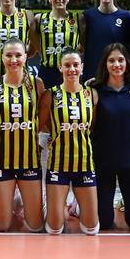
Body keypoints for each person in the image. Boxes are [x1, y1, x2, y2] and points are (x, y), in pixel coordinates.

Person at [0, 39, 46, 232]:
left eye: (18, 55)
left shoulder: (36, 84)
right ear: (2, 58)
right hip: (2, 162)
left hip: (29, 161)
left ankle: (19, 199)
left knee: (35, 227)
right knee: (2, 226)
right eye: (9, 55)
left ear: (26, 57)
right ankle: (11, 198)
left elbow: (42, 119)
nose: (13, 60)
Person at [41, 49, 98, 235]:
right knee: (55, 228)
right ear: (60, 68)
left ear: (82, 67)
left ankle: (76, 204)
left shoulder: (91, 94)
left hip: (84, 165)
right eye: (67, 65)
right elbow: (41, 125)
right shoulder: (51, 94)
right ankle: (52, 205)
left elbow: (93, 125)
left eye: (75, 65)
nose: (71, 69)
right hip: (58, 165)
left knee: (91, 228)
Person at [90, 44, 130, 231]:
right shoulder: (95, 90)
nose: (116, 65)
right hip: (104, 160)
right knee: (104, 222)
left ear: (127, 63)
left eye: (120, 60)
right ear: (105, 64)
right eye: (111, 60)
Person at [80, 0, 130, 82]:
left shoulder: (127, 18)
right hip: (92, 76)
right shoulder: (87, 16)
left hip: (117, 78)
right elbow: (82, 47)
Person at [30, 0, 79, 89]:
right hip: (47, 72)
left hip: (70, 72)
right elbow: (32, 49)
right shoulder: (39, 19)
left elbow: (83, 46)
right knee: (44, 100)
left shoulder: (78, 19)